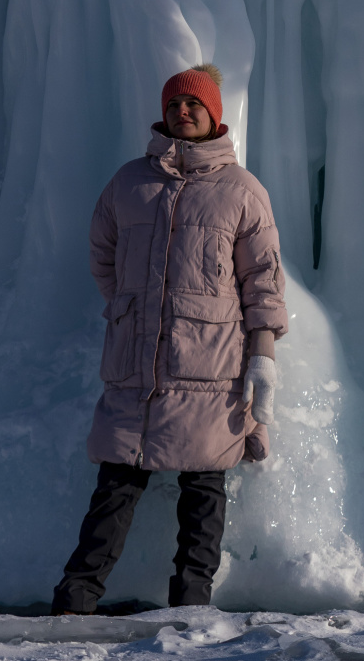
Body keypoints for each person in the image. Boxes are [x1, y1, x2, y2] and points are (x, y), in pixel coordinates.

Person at [52, 64, 287, 612]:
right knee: (116, 484)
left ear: (213, 116)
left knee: (204, 491)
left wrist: (263, 355)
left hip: (211, 366)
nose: (182, 112)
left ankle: (191, 606)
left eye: (193, 105)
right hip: (138, 363)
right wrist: (128, 307)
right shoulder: (130, 182)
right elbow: (101, 254)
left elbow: (264, 280)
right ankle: (74, 602)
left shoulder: (241, 190)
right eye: (174, 104)